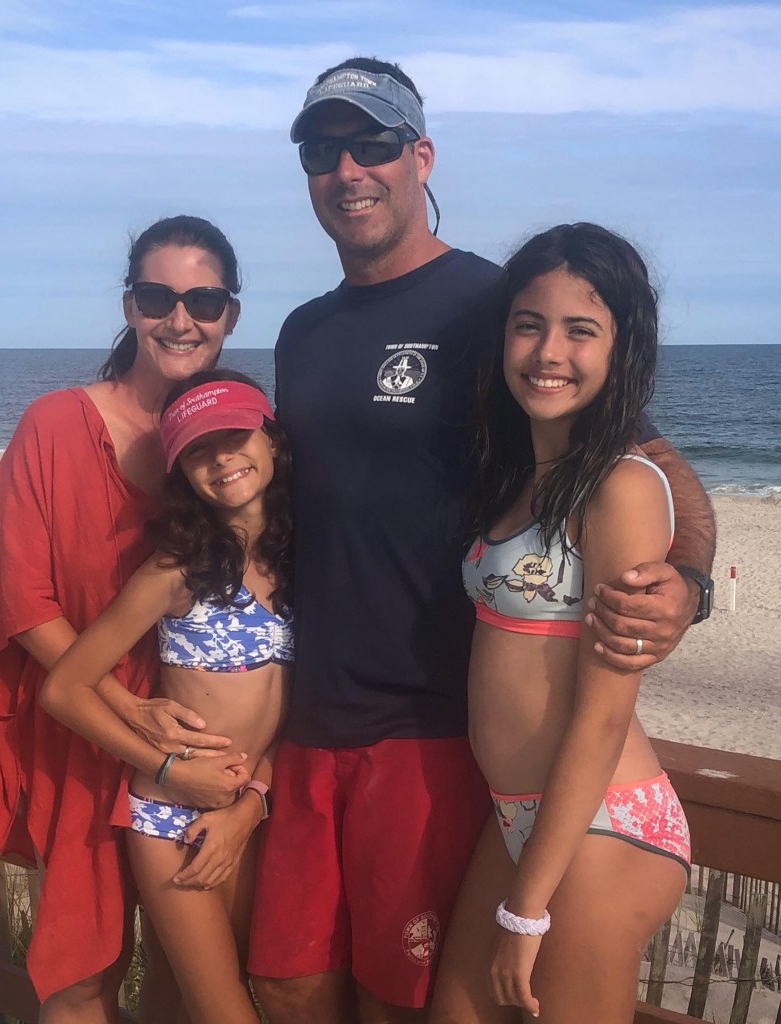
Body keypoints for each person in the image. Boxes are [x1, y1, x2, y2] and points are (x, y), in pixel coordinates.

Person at [249, 59, 716, 1024]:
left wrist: (689, 583)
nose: (349, 168)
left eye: (373, 144)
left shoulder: (498, 307)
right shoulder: (301, 333)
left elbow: (651, 461)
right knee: (287, 987)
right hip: (311, 717)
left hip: (434, 736)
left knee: (401, 999)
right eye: (323, 149)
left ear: (421, 157)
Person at [0, 215, 252, 1024]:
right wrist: (124, 707)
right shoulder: (58, 425)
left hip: (206, 733)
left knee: (193, 970)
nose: (181, 319)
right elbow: (21, 599)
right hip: (88, 723)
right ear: (131, 305)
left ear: (230, 314)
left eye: (203, 299)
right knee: (82, 968)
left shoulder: (232, 439)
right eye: (157, 296)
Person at [430, 222, 690, 1023]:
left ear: (621, 350)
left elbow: (605, 713)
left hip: (599, 823)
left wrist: (527, 909)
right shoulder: (523, 477)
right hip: (520, 814)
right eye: (529, 324)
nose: (548, 352)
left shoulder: (622, 486)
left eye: (582, 331)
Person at [40, 369, 292, 1024]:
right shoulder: (176, 570)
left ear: (271, 440)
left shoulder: (305, 559)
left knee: (187, 1001)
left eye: (235, 436)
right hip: (168, 816)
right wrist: (167, 768)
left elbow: (292, 711)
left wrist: (251, 804)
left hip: (245, 810)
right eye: (199, 450)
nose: (223, 459)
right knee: (227, 1011)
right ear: (181, 472)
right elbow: (65, 686)